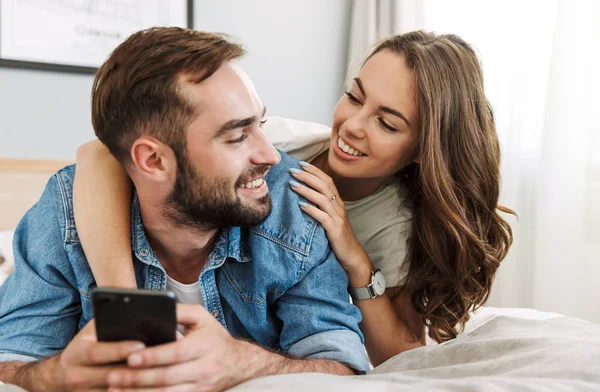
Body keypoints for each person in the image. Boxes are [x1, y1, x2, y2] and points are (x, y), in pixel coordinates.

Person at [74, 31, 515, 366]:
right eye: (354, 97)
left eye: (387, 123)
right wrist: (126, 304)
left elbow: (397, 356)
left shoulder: (400, 223)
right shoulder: (280, 144)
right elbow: (99, 153)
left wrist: (356, 259)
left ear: (423, 149)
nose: (353, 126)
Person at [0, 27, 370, 392]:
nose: (270, 155)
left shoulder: (295, 202)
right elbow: (11, 361)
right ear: (153, 160)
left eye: (260, 124)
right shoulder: (65, 214)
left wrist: (242, 363)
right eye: (238, 136)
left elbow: (344, 365)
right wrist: (57, 376)